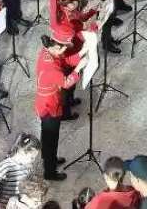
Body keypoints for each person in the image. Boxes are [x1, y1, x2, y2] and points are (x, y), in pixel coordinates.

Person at [36, 31, 82, 181]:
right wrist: (78, 69)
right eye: (62, 49)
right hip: (50, 106)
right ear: (55, 48)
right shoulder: (51, 69)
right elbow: (66, 82)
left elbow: (63, 60)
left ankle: (50, 159)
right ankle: (50, 172)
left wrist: (80, 54)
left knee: (47, 136)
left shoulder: (48, 52)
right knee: (51, 137)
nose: (63, 52)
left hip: (46, 102)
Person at [0, 134, 41, 207]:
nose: (33, 161)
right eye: (32, 158)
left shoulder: (28, 167)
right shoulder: (3, 168)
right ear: (22, 152)